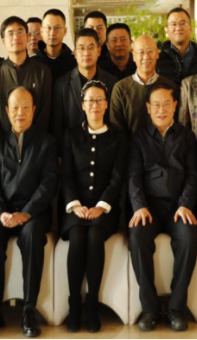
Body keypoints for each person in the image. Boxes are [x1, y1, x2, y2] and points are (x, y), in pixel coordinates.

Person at [0, 87, 58, 338]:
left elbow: (49, 184)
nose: (20, 112)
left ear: (33, 110)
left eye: (25, 107)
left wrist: (27, 213)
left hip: (35, 213)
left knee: (32, 235)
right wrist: (0, 213)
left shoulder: (46, 143)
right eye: (15, 108)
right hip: (5, 212)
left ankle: (29, 308)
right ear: (7, 111)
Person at [127, 81, 197, 332]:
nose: (161, 109)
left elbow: (193, 176)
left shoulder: (187, 136)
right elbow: (133, 176)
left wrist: (185, 204)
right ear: (148, 108)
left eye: (166, 104)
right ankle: (150, 309)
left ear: (175, 105)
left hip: (178, 207)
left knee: (189, 238)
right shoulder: (138, 138)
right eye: (156, 105)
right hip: (149, 208)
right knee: (137, 236)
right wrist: (139, 206)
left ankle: (176, 308)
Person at [59, 80, 126, 333]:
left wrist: (101, 205)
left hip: (105, 209)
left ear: (106, 104)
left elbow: (117, 177)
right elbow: (66, 175)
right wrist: (75, 205)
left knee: (96, 234)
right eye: (90, 100)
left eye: (99, 100)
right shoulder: (70, 135)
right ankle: (74, 305)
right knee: (77, 235)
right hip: (75, 208)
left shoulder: (118, 136)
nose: (94, 105)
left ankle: (92, 305)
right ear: (83, 105)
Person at [0, 16, 53, 144]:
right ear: (3, 41)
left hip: (36, 146)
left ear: (27, 37)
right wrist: (1, 149)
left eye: (20, 32)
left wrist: (34, 145)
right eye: (10, 33)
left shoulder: (42, 72)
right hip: (2, 149)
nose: (16, 37)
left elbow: (45, 113)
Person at [51, 28, 117, 146]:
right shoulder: (61, 85)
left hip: (105, 148)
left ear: (98, 51)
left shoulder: (112, 82)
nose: (86, 53)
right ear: (75, 53)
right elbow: (57, 126)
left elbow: (114, 123)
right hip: (72, 149)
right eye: (81, 48)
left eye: (91, 47)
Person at [111, 34, 178, 135]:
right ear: (134, 56)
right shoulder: (120, 89)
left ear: (157, 54)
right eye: (141, 52)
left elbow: (175, 127)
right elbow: (116, 131)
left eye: (150, 51)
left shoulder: (170, 87)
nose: (146, 57)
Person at [157, 7, 197, 83]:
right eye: (173, 24)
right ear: (167, 30)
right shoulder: (158, 59)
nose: (178, 28)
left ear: (191, 28)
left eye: (182, 23)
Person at [33, 9, 76, 79]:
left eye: (57, 28)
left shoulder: (74, 62)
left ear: (65, 31)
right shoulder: (33, 62)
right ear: (41, 31)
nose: (52, 33)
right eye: (48, 28)